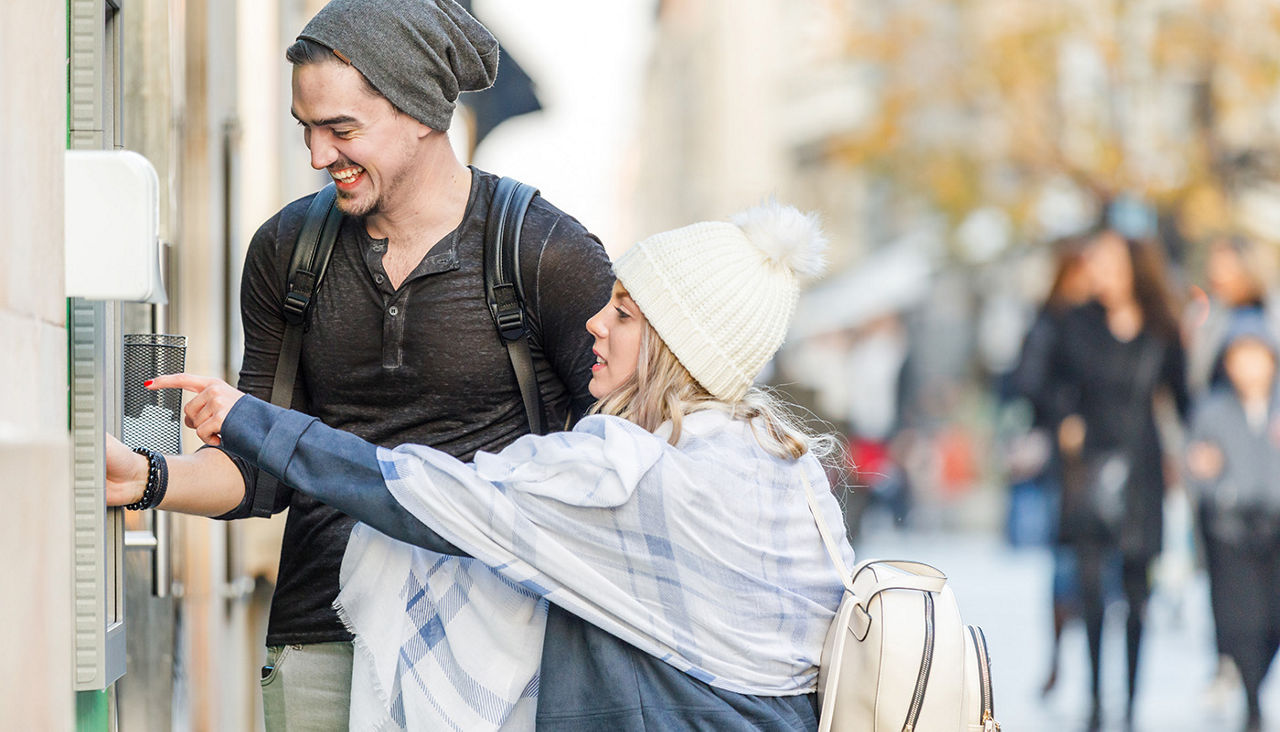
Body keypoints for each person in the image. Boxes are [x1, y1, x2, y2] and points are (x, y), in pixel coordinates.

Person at [111, 201, 852, 730]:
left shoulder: (630, 470)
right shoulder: (780, 464)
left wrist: (247, 417)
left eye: (624, 314)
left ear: (674, 346)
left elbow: (427, 499)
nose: (596, 320)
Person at [105, 1, 613, 728]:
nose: (317, 156)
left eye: (341, 130)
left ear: (421, 112)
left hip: (497, 648)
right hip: (320, 643)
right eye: (306, 129)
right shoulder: (289, 251)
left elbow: (617, 463)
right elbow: (262, 472)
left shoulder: (544, 254)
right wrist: (149, 477)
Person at [1046, 229, 1189, 730]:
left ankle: (1129, 701)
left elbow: (1183, 399)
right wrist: (1063, 419)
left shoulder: (1161, 327)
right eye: (1094, 261)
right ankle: (1093, 698)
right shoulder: (1075, 322)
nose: (1098, 269)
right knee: (1089, 586)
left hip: (1144, 468)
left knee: (1138, 591)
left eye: (1108, 261)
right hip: (1090, 463)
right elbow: (1050, 383)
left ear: (1132, 266)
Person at [1185, 317, 1280, 732]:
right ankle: (1251, 693)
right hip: (1230, 527)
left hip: (1276, 526)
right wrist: (1203, 472)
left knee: (1273, 617)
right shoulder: (1213, 409)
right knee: (1238, 617)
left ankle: (1257, 680)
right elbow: (1193, 465)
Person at [1007, 236, 1091, 696]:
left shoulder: (1101, 320)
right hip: (1066, 454)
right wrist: (1063, 414)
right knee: (1067, 558)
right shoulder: (1052, 321)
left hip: (1098, 451)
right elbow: (1029, 380)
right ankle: (1059, 653)